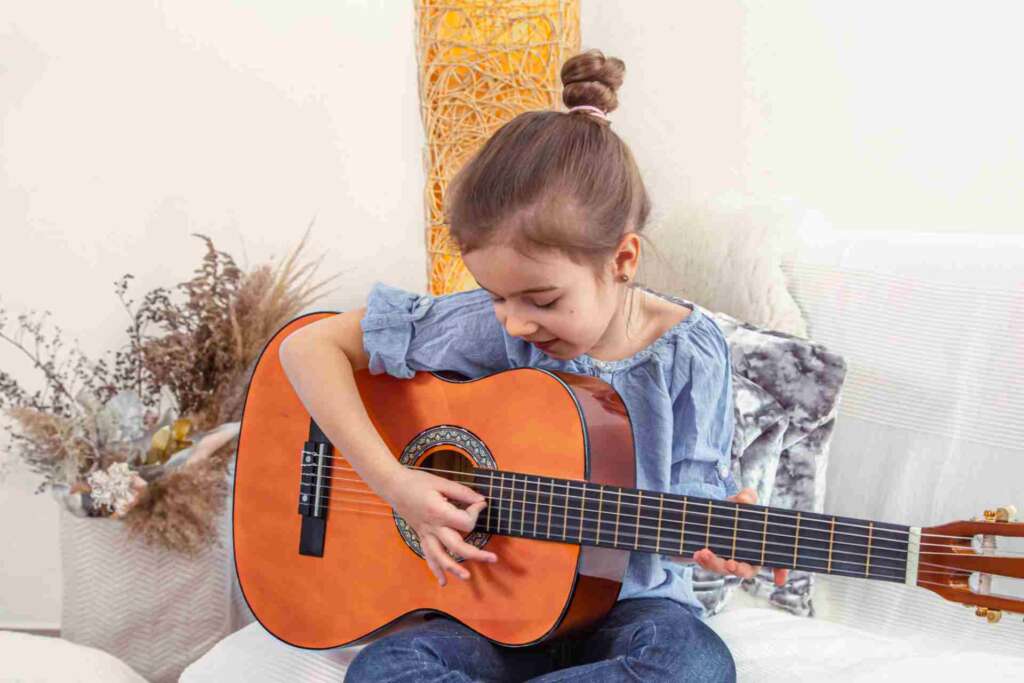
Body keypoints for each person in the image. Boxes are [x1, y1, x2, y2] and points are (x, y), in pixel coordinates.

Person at [279, 47, 788, 683]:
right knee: (387, 668)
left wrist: (721, 532)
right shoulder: (493, 327)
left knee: (693, 665)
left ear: (622, 262)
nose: (515, 322)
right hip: (486, 607)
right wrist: (394, 482)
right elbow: (307, 349)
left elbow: (691, 499)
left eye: (542, 301)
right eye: (497, 297)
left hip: (631, 610)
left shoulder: (690, 351)